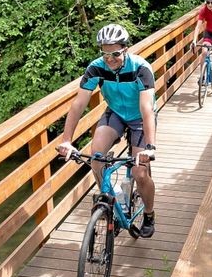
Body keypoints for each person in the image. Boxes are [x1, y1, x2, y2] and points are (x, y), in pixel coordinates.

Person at [57, 23, 158, 237]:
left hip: (140, 117)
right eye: (105, 54)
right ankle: (115, 198)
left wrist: (150, 148)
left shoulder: (141, 68)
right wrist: (67, 140)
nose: (110, 59)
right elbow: (79, 104)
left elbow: (146, 108)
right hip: (115, 113)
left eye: (115, 53)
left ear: (126, 48)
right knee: (96, 158)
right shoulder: (96, 68)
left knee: (140, 172)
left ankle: (149, 214)